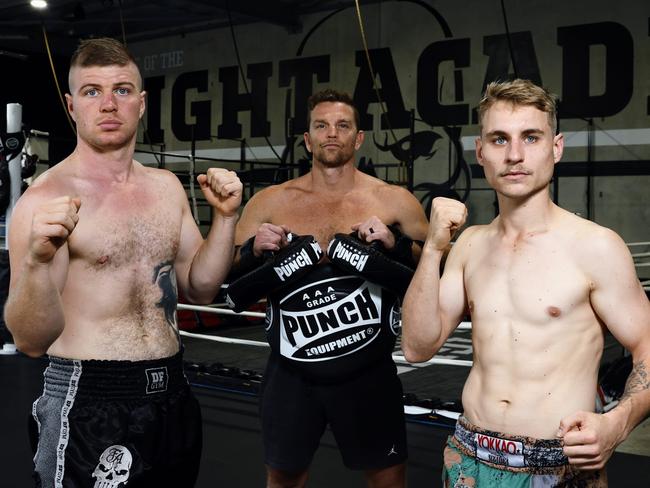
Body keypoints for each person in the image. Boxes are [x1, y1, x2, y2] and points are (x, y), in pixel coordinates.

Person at [4, 38, 242, 487]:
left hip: (172, 391)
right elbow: (31, 340)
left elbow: (201, 287)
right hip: (89, 398)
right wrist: (36, 262)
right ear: (72, 106)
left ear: (142, 102)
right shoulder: (47, 200)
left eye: (122, 90)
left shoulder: (167, 187)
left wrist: (227, 220)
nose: (108, 104)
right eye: (92, 92)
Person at [402, 78, 650, 487]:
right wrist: (432, 249)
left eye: (531, 137)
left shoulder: (596, 247)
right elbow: (416, 346)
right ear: (480, 152)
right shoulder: (469, 246)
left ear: (556, 147)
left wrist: (617, 424)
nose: (515, 155)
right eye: (499, 140)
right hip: (469, 458)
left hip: (556, 463)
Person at [230, 89, 428, 488]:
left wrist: (397, 244)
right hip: (290, 370)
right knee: (283, 478)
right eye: (321, 126)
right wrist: (253, 250)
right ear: (308, 139)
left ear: (358, 138)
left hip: (368, 369)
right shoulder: (270, 201)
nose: (331, 134)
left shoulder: (395, 200)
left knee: (389, 480)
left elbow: (433, 267)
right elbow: (229, 273)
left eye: (342, 126)